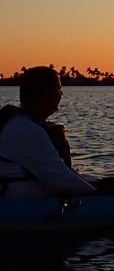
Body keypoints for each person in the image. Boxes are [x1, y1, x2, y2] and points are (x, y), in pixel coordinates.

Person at [0, 66, 97, 198]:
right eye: (58, 90)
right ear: (46, 95)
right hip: (15, 202)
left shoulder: (18, 123)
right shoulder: (26, 130)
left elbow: (60, 171)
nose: (61, 95)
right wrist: (99, 194)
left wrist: (94, 185)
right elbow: (62, 180)